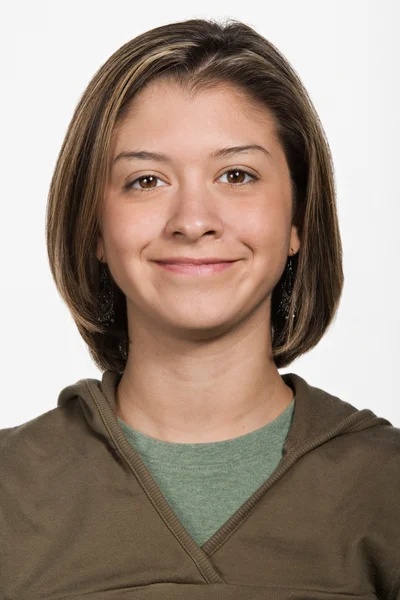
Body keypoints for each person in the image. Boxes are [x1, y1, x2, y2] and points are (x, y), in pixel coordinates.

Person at [1, 17, 399, 600]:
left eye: (236, 175)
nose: (192, 220)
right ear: (94, 227)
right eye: (146, 180)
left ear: (297, 220)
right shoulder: (10, 491)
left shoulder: (386, 489)